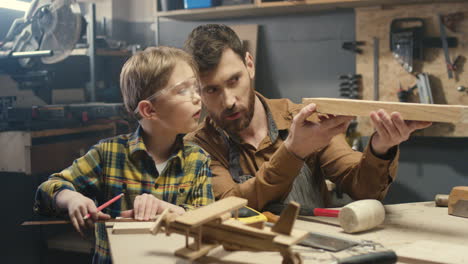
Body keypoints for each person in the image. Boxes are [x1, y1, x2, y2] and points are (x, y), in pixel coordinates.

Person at [184, 24, 431, 212]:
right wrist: (293, 151)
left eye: (233, 80)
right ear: (198, 90)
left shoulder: (301, 120)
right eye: (212, 90)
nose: (228, 101)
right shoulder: (198, 147)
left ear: (249, 65)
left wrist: (381, 148)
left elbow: (364, 189)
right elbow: (232, 205)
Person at [34, 46, 214, 263]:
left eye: (196, 88)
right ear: (149, 110)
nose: (197, 98)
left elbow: (207, 225)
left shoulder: (198, 160)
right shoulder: (107, 154)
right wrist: (71, 199)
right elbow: (47, 190)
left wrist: (166, 209)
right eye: (183, 90)